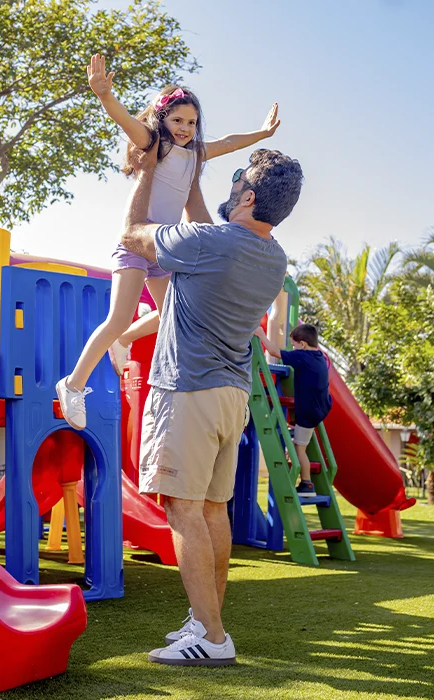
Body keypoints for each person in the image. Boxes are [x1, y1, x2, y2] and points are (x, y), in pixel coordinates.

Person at [120, 144, 304, 665]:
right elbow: (206, 224)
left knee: (182, 510)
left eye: (237, 182)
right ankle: (205, 621)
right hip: (231, 396)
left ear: (246, 197)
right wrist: (194, 176)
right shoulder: (271, 256)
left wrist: (150, 172)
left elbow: (131, 233)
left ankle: (214, 638)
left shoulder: (212, 244)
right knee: (210, 509)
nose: (231, 187)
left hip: (189, 391)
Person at [55, 53, 281, 430]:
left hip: (163, 247)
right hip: (135, 243)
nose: (185, 128)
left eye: (191, 122)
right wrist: (104, 96)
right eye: (177, 120)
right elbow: (126, 121)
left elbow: (228, 141)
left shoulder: (194, 154)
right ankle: (74, 385)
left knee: (173, 316)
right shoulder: (153, 143)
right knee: (117, 317)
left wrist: (261, 134)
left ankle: (125, 340)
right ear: (162, 119)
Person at [253, 323, 332, 494]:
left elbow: (275, 352)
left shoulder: (302, 357)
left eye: (294, 345)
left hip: (309, 412)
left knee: (299, 448)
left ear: (302, 344)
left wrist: (261, 335)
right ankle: (306, 481)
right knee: (301, 438)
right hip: (320, 407)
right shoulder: (319, 356)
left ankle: (307, 484)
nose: (293, 348)